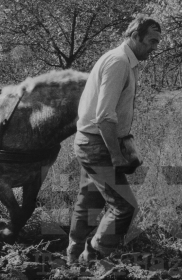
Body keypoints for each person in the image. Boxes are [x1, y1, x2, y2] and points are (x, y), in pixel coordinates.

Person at [67, 16, 162, 263]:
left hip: (91, 142)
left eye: (157, 42)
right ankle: (93, 259)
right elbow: (104, 117)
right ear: (135, 36)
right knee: (124, 208)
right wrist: (116, 155)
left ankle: (73, 256)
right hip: (97, 144)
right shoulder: (119, 62)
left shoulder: (123, 61)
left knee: (90, 200)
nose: (154, 47)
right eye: (151, 41)